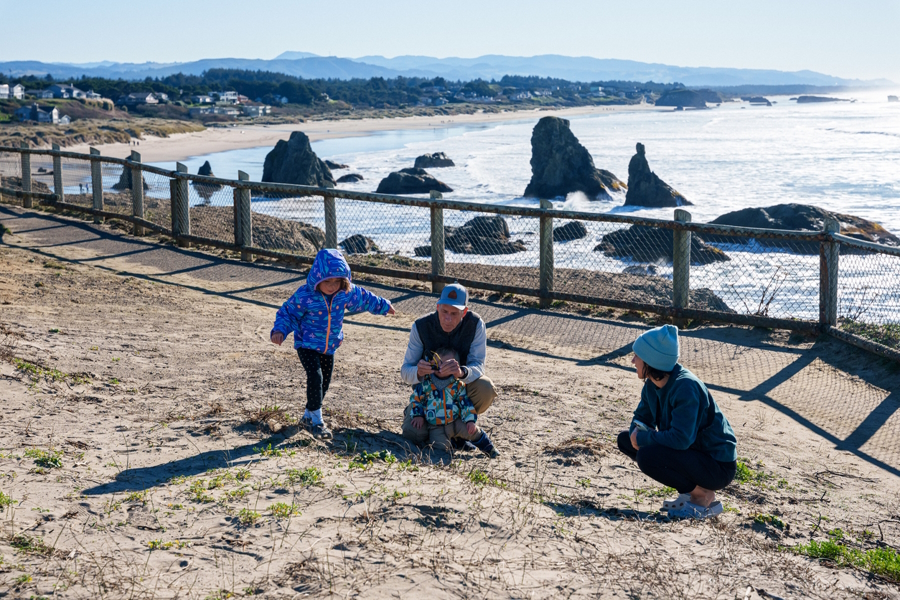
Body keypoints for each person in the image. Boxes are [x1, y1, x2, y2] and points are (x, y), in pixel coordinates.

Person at [616, 324, 737, 519]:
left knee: (646, 456)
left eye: (637, 356)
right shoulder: (652, 385)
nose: (632, 360)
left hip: (716, 465)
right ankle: (690, 493)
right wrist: (635, 433)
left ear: (651, 360)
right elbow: (642, 418)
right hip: (691, 453)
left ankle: (701, 496)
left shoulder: (685, 387)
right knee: (625, 440)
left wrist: (644, 439)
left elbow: (681, 439)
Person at [271, 248, 394, 439]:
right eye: (327, 281)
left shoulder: (345, 293)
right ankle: (318, 422)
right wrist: (280, 330)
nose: (331, 286)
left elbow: (365, 298)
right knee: (316, 376)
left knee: (324, 385)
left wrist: (384, 306)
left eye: (337, 281)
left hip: (329, 347)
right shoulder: (306, 295)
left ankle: (307, 417)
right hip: (307, 344)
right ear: (317, 278)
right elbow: (288, 313)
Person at [400, 283, 497, 450]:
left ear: (464, 312)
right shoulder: (421, 326)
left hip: (459, 391)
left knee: (486, 387)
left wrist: (462, 372)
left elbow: (479, 366)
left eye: (454, 314)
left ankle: (458, 431)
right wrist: (418, 371)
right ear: (437, 307)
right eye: (444, 311)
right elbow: (405, 371)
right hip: (428, 395)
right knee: (412, 433)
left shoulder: (475, 324)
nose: (448, 318)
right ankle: (423, 417)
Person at [402, 347, 499, 461]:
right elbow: (416, 399)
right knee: (440, 447)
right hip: (435, 425)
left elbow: (465, 404)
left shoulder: (457, 385)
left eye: (445, 364)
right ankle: (453, 443)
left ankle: (488, 447)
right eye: (436, 363)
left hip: (456, 421)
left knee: (472, 431)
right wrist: (417, 415)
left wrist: (470, 420)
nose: (440, 367)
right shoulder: (426, 383)